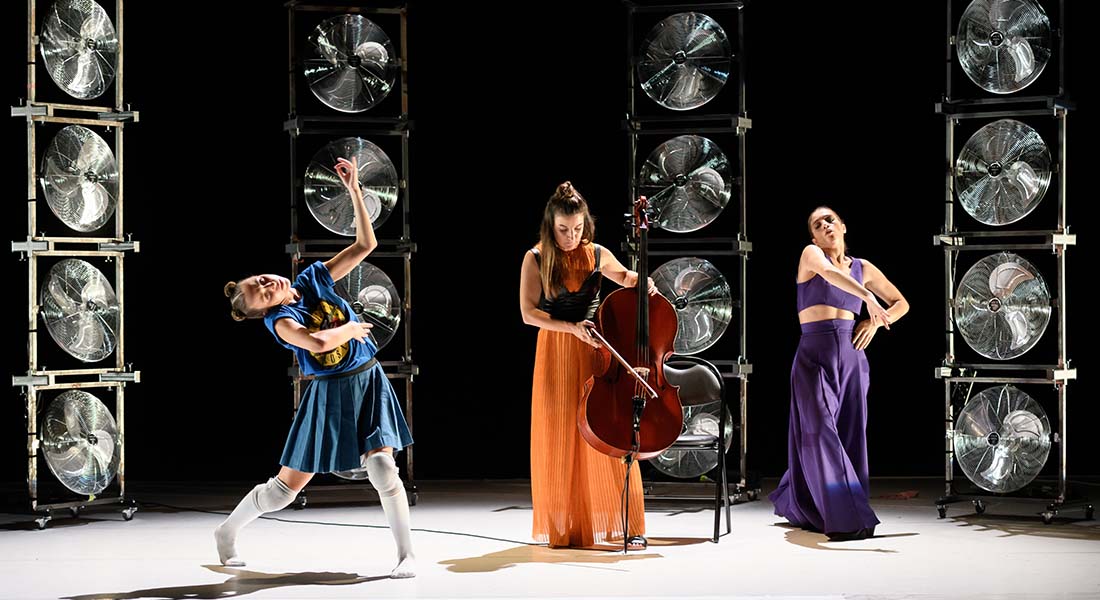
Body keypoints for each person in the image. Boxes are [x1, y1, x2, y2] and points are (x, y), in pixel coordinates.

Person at [219, 157, 415, 577]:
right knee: (283, 491)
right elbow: (317, 341)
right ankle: (227, 533)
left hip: (367, 382)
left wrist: (355, 191)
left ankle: (405, 554)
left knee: (383, 466)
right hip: (328, 396)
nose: (268, 285)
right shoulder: (280, 322)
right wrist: (352, 327)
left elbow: (366, 246)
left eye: (262, 281)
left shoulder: (311, 279)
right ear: (264, 311)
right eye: (261, 294)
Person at [518, 181, 656, 549]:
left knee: (607, 432)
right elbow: (529, 314)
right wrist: (570, 328)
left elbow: (624, 277)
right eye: (564, 229)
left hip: (596, 350)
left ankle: (625, 521)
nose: (571, 236)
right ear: (551, 225)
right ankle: (568, 528)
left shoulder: (596, 252)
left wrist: (642, 281)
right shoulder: (535, 257)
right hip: (557, 351)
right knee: (563, 433)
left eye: (577, 228)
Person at [769, 206, 909, 541]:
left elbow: (902, 303)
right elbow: (832, 276)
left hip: (851, 356)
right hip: (813, 356)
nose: (825, 225)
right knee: (820, 432)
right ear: (813, 236)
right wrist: (867, 298)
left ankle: (828, 504)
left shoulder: (863, 268)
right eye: (818, 224)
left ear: (843, 227)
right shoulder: (811, 255)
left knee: (849, 435)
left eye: (830, 220)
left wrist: (873, 321)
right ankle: (846, 515)